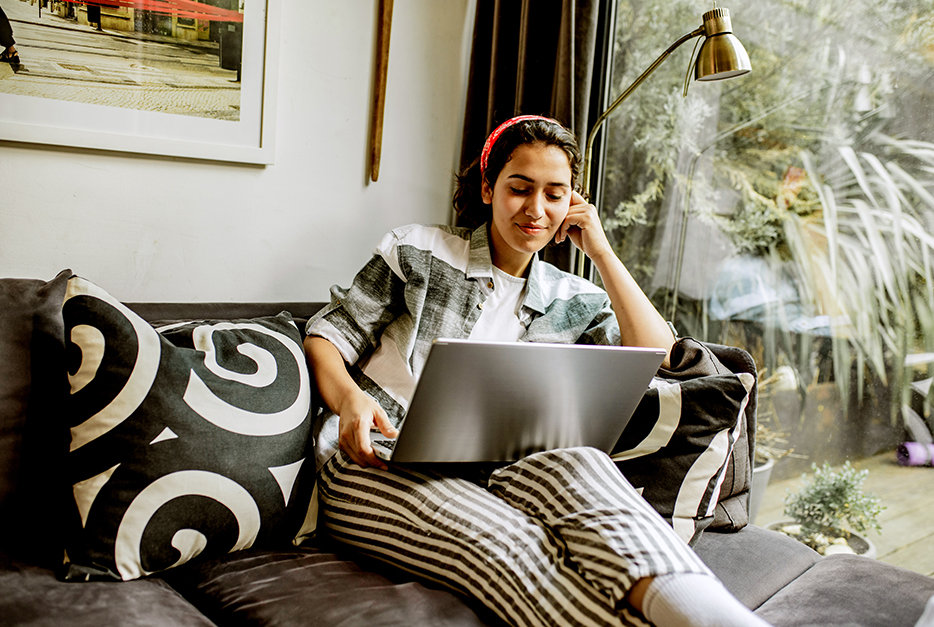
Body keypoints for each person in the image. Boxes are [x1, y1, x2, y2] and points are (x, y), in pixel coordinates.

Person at [303, 116, 772, 627]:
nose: (536, 210)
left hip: (503, 466)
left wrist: (601, 250)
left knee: (589, 472)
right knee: (514, 542)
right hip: (376, 459)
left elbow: (660, 353)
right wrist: (350, 400)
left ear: (573, 202)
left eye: (555, 194)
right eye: (519, 189)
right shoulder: (417, 249)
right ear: (488, 187)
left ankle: (717, 616)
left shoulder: (576, 299)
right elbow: (328, 334)